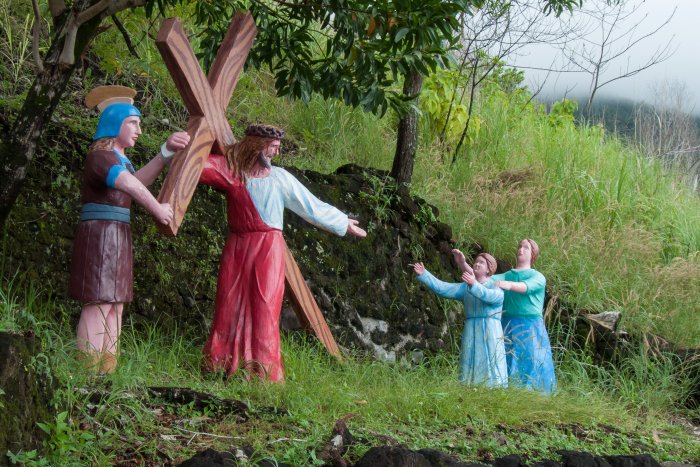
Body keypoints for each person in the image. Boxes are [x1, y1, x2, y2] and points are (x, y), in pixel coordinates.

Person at [199, 124, 366, 382]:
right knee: (228, 302)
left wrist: (342, 222)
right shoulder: (233, 172)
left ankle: (263, 371)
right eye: (273, 148)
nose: (275, 154)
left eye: (277, 148)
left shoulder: (279, 178)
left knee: (265, 306)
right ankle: (221, 362)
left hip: (268, 249)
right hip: (238, 246)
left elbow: (310, 205)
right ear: (257, 146)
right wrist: (186, 145)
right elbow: (198, 168)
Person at [69, 85, 190, 374]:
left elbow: (137, 180)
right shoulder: (101, 158)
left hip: (118, 233)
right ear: (115, 124)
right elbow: (130, 184)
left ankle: (107, 369)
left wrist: (164, 153)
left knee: (116, 304)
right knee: (99, 302)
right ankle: (88, 369)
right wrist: (158, 209)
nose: (138, 130)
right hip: (100, 235)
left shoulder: (120, 160)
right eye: (133, 123)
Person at [413, 253, 507, 387]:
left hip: (490, 329)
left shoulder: (495, 286)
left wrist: (474, 284)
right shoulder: (466, 287)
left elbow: (490, 296)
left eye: (481, 263)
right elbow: (444, 288)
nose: (477, 264)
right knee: (469, 356)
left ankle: (494, 386)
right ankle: (468, 385)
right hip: (471, 327)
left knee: (491, 357)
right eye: (476, 261)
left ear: (489, 269)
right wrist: (425, 274)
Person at [491, 239, 556, 393]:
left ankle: (534, 391)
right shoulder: (507, 275)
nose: (521, 249)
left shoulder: (538, 277)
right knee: (506, 356)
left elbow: (526, 287)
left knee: (532, 358)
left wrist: (510, 285)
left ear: (533, 254)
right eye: (520, 246)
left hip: (530, 325)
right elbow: (484, 279)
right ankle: (505, 388)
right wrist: (464, 265)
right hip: (507, 322)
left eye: (526, 248)